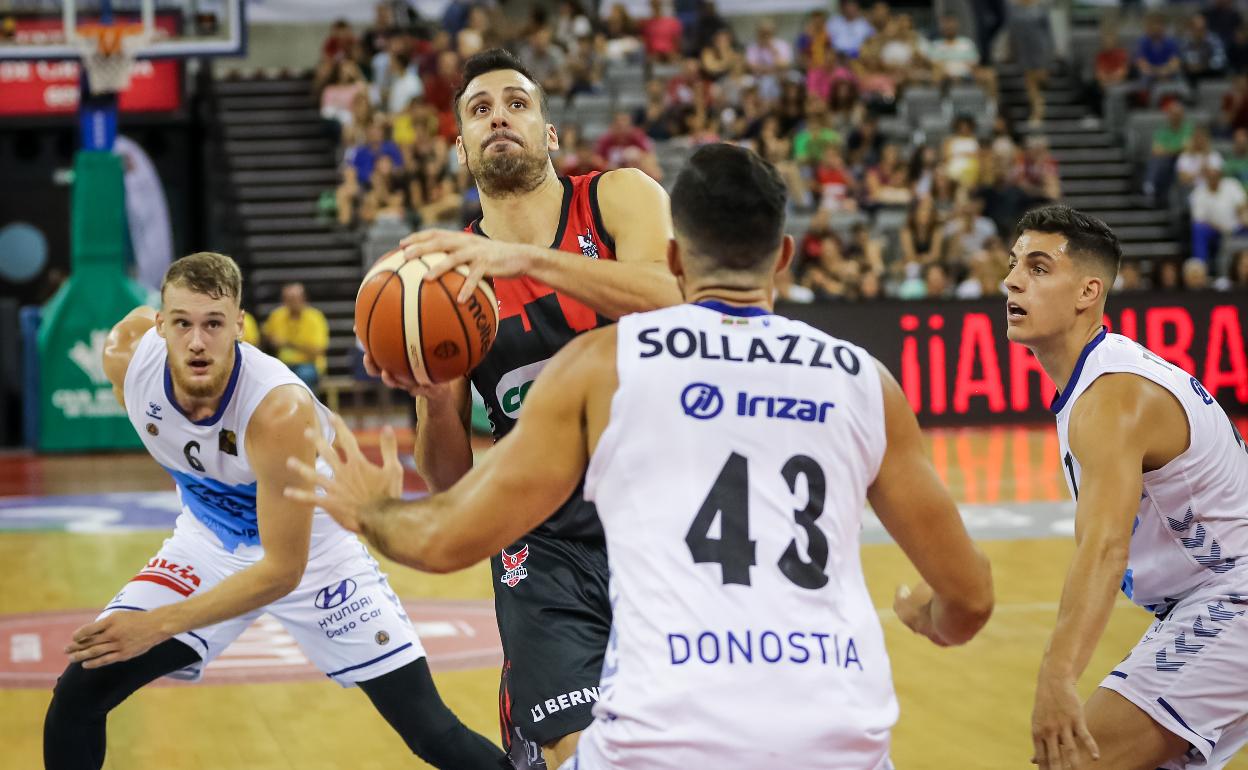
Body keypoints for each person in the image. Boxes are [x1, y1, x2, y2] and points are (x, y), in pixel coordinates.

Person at [288, 142, 994, 769]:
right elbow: (970, 597)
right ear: (784, 254)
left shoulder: (606, 364)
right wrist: (932, 617)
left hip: (667, 736)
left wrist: (366, 508)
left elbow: (445, 541)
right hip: (841, 734)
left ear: (677, 258)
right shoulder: (864, 380)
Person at [42, 253, 505, 770]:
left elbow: (283, 570)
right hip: (207, 542)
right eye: (182, 324)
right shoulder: (127, 359)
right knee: (78, 694)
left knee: (431, 730)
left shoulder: (276, 409)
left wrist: (156, 624)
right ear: (159, 324)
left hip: (314, 551)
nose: (197, 341)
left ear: (239, 326)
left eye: (214, 324)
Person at [366, 48, 679, 769]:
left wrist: (527, 262)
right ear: (461, 148)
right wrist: (438, 403)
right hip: (540, 536)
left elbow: (675, 299)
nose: (499, 115)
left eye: (517, 102)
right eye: (479, 109)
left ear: (549, 132)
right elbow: (448, 483)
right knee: (573, 755)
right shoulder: (444, 284)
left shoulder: (617, 198)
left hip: (661, 516)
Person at [1003, 205, 1248, 770]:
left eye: (1039, 268)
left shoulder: (1112, 399)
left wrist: (1057, 676)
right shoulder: (1099, 381)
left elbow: (1105, 548)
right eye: (1014, 264)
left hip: (1233, 598)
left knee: (1070, 761)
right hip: (1204, 603)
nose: (1012, 280)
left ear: (1089, 291)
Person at [262, 282, 329, 390]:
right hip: (282, 364)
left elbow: (319, 350)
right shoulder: (276, 315)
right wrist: (269, 340)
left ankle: (307, 406)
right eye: (287, 299)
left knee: (303, 376)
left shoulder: (315, 318)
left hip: (309, 364)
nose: (291, 303)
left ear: (303, 299)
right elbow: (266, 338)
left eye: (294, 299)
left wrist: (288, 344)